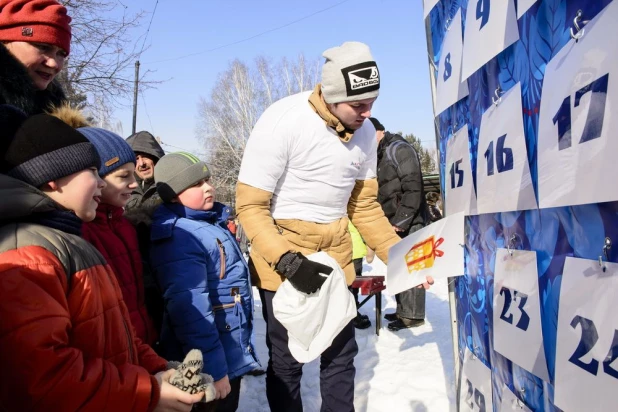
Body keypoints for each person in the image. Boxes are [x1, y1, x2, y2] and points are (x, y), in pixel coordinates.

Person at [235, 41, 433, 412]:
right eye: (359, 105)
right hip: (282, 257)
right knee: (288, 360)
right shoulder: (282, 120)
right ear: (330, 94)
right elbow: (250, 205)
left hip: (336, 253)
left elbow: (365, 206)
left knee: (341, 356)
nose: (368, 113)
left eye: (372, 102)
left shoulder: (365, 132)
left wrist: (402, 258)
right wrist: (288, 261)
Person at [0, 105, 204, 411]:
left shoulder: (70, 241)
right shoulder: (29, 252)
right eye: (93, 172)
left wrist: (159, 369)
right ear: (54, 177)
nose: (100, 182)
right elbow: (43, 377)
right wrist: (147, 391)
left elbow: (117, 331)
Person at [149, 152, 260, 412]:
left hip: (226, 351)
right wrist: (214, 369)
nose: (209, 187)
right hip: (209, 365)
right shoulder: (181, 236)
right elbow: (191, 312)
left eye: (207, 179)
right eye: (196, 184)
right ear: (175, 194)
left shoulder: (208, 223)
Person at [78, 126, 159, 347]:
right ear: (96, 177)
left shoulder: (125, 227)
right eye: (123, 176)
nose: (133, 183)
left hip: (142, 342)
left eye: (133, 174)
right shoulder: (82, 233)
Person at [369, 116, 430, 331]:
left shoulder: (399, 149)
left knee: (412, 265)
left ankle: (412, 315)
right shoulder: (380, 154)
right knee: (399, 266)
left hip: (410, 221)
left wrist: (401, 221)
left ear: (379, 132)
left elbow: (413, 187)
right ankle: (403, 309)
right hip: (393, 221)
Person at [0, 0, 69, 115]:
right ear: (5, 42)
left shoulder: (56, 115)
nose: (54, 64)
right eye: (43, 47)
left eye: (61, 54)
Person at [125, 130, 165, 210]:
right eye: (136, 158)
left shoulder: (168, 186)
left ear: (155, 158)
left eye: (145, 156)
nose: (141, 163)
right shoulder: (124, 189)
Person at [349, 221, 371, 329]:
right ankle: (352, 317)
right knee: (350, 286)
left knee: (354, 285)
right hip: (350, 250)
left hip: (355, 249)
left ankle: (354, 312)